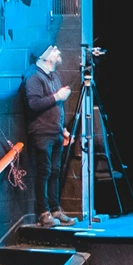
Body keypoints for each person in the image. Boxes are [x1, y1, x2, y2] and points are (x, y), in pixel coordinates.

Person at [24, 44, 75, 227]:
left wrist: (63, 129)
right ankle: (44, 213)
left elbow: (57, 109)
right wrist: (57, 96)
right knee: (44, 172)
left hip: (55, 133)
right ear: (44, 55)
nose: (58, 52)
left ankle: (55, 209)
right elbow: (34, 104)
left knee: (55, 172)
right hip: (42, 133)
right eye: (54, 50)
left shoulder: (54, 76)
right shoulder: (33, 77)